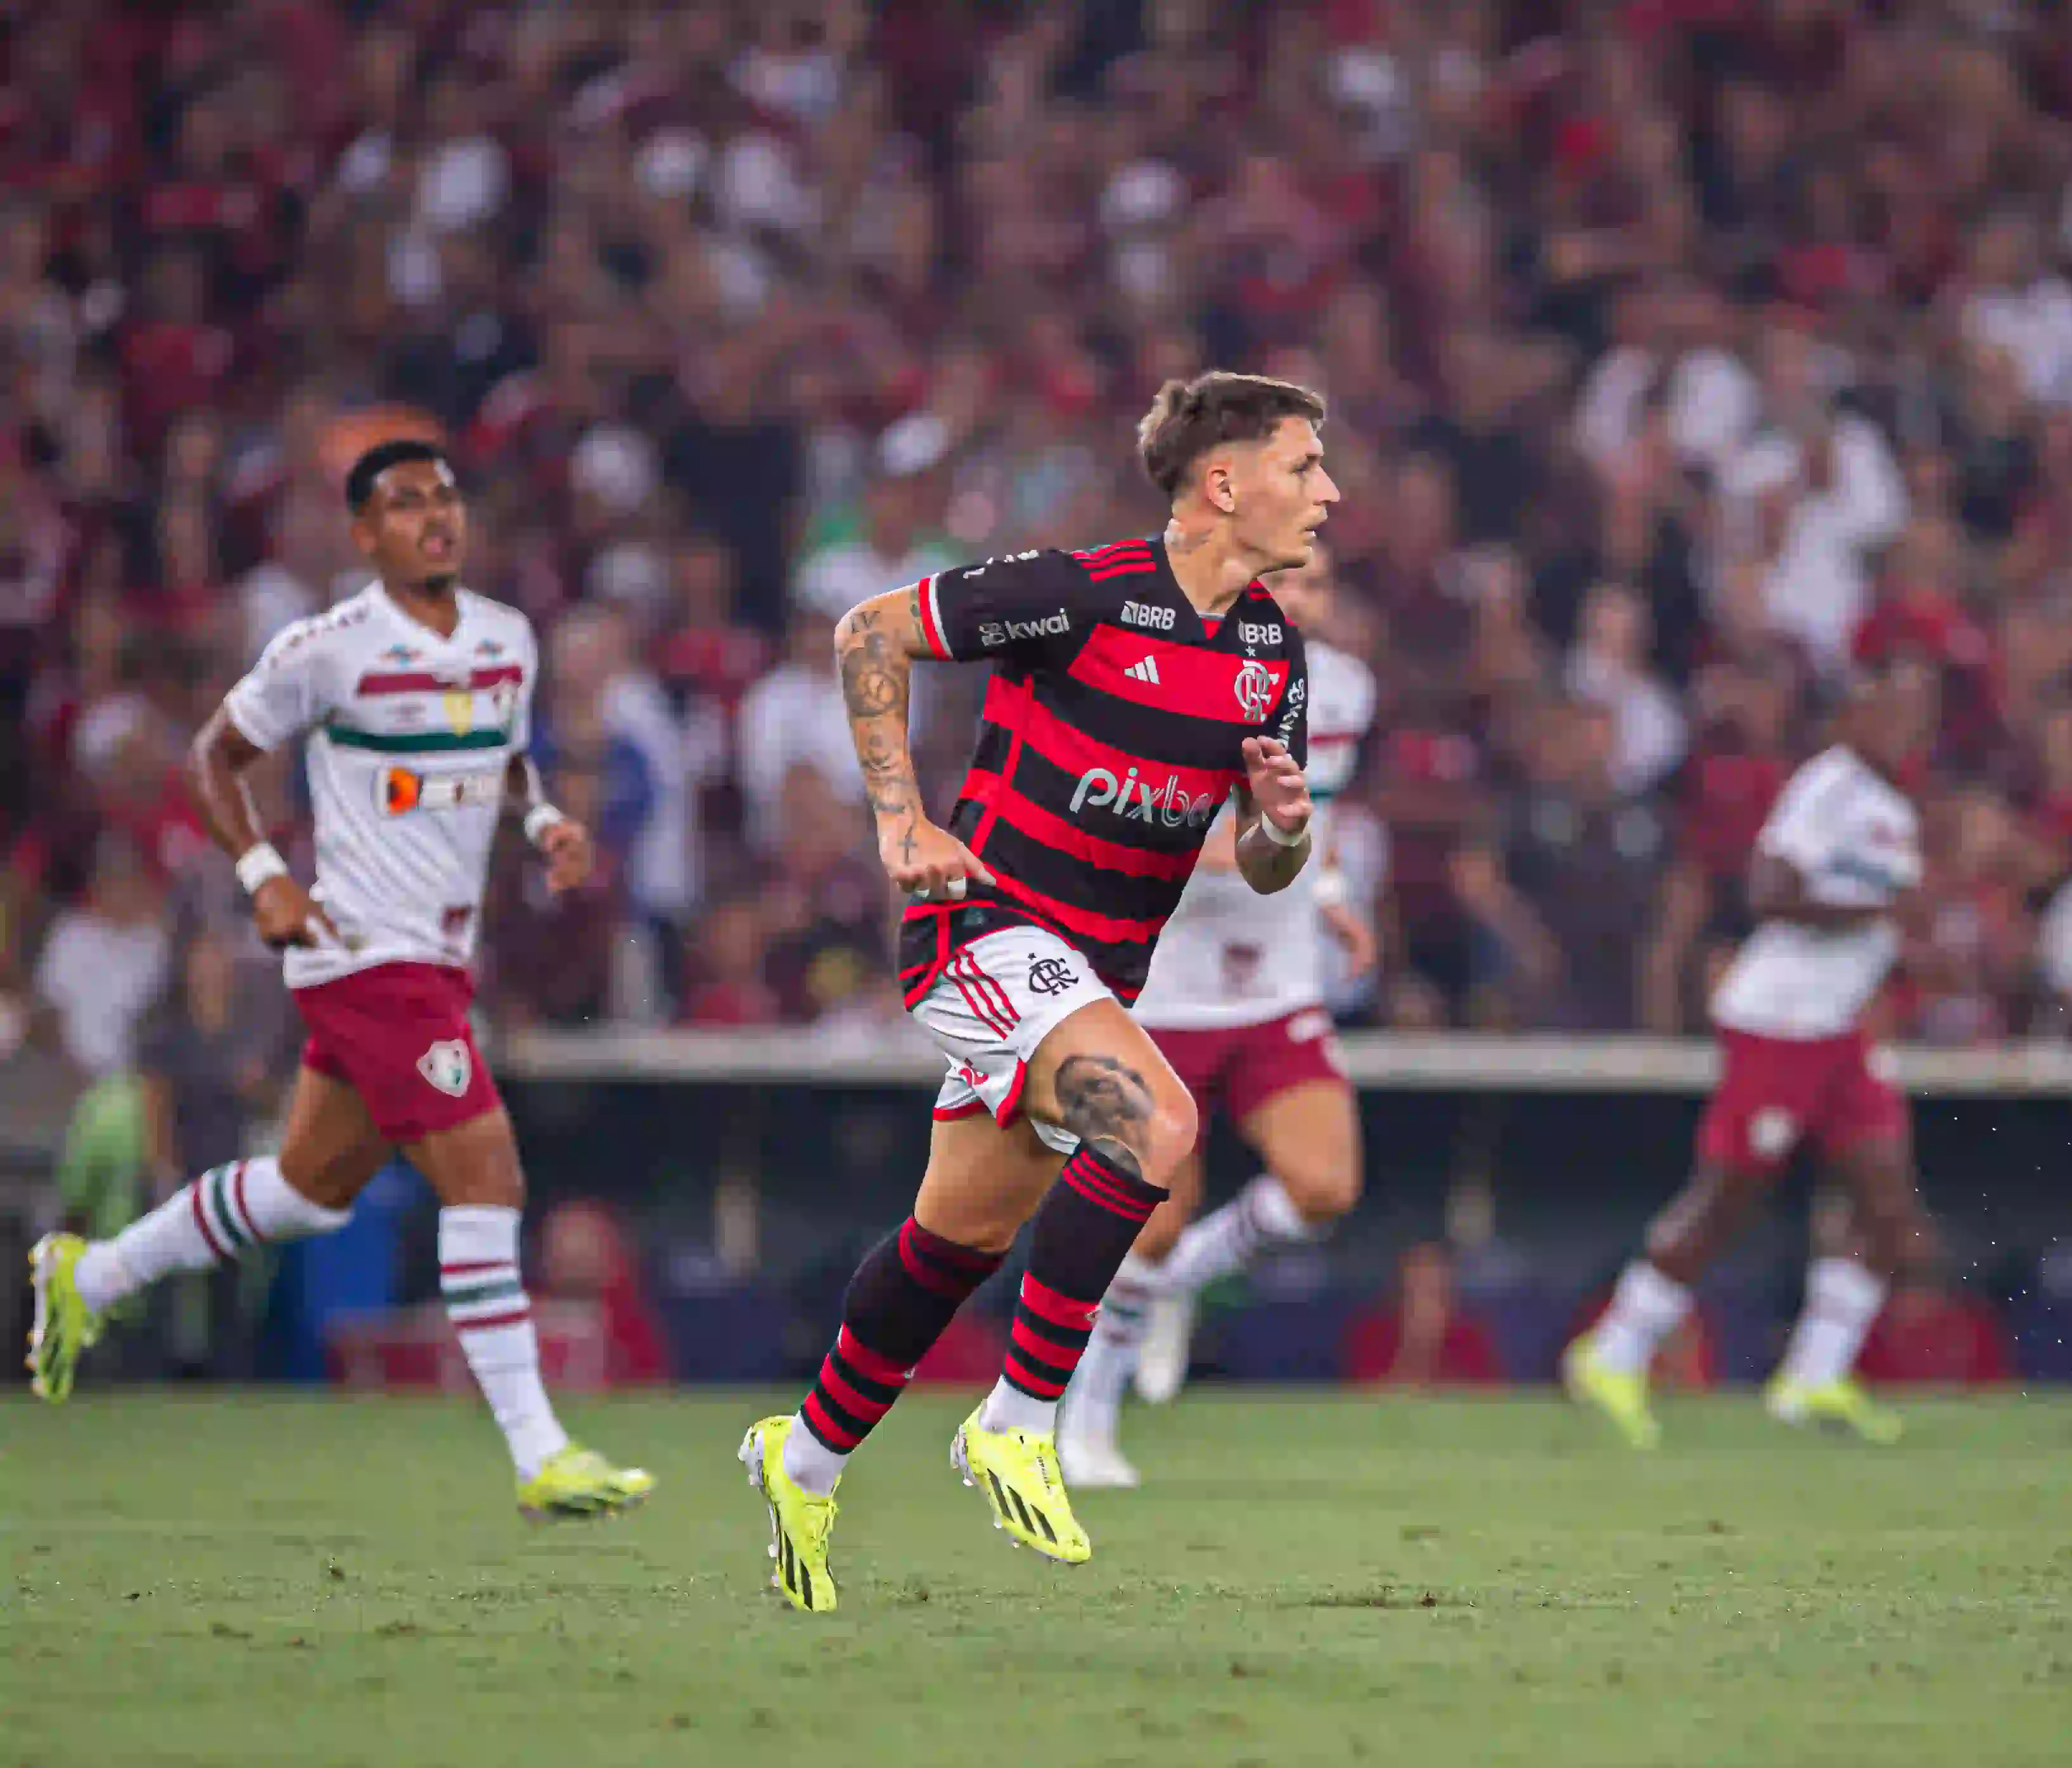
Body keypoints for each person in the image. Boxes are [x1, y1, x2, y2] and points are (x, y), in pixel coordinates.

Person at [736, 372, 1335, 1611]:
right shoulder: (1075, 593)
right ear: (1223, 485)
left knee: (956, 1240)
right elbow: (867, 630)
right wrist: (900, 820)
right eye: (1303, 465)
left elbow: (1270, 870)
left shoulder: (1270, 650)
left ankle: (799, 1458)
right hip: (979, 931)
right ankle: (1017, 1420)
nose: (1327, 493)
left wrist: (1280, 828)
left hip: (1083, 975)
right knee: (1159, 1125)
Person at [26, 440, 653, 1520]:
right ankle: (538, 1450)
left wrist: (542, 818)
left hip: (440, 959)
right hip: (364, 951)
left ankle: (87, 1278)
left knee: (307, 1191)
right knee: (488, 1178)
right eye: (405, 505)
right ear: (366, 536)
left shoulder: (506, 639)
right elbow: (213, 758)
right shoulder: (327, 648)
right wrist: (266, 874)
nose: (433, 519)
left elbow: (500, 751)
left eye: (444, 499)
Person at [1058, 540, 1380, 1488]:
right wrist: (1249, 858)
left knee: (1323, 1184)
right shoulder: (1173, 683)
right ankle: (1085, 1422)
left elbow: (1308, 812)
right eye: (1280, 581)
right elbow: (1116, 824)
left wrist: (1323, 893)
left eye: (1313, 583)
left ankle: (1178, 1286)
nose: (1296, 599)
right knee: (1144, 1227)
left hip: (1275, 983)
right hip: (1161, 987)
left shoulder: (1349, 692)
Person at [1559, 661, 1938, 1449]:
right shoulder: (1826, 788)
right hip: (1778, 1023)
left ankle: (1814, 1374)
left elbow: (1883, 928)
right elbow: (1766, 890)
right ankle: (1614, 1348)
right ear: (1852, 719)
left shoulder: (1896, 810)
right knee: (1729, 1195)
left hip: (1838, 1031)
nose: (1906, 727)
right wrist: (1876, 910)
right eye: (1891, 709)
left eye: (1917, 713)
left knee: (1886, 1197)